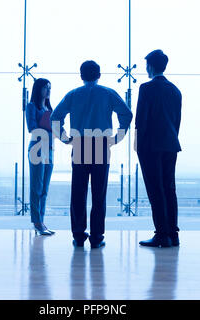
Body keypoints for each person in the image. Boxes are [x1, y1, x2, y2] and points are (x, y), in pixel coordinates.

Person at [51, 60, 132, 248]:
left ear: (81, 76)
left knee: (78, 192)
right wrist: (117, 137)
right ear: (99, 75)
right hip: (101, 145)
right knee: (99, 192)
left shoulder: (73, 95)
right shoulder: (108, 93)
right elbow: (126, 114)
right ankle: (96, 237)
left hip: (79, 144)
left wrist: (64, 138)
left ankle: (78, 235)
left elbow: (55, 116)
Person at [134, 50, 182, 247]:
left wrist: (138, 146)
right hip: (171, 144)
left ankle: (162, 234)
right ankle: (173, 233)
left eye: (146, 65)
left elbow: (141, 120)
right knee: (169, 188)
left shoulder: (146, 88)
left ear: (151, 66)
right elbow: (177, 121)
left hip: (150, 146)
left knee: (156, 190)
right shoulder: (175, 90)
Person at [26, 78, 55, 236]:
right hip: (37, 148)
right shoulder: (32, 106)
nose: (48, 91)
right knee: (36, 187)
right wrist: (48, 127)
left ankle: (41, 221)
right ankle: (36, 222)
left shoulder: (49, 108)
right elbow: (32, 127)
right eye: (46, 88)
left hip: (49, 149)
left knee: (44, 188)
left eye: (50, 88)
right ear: (38, 89)